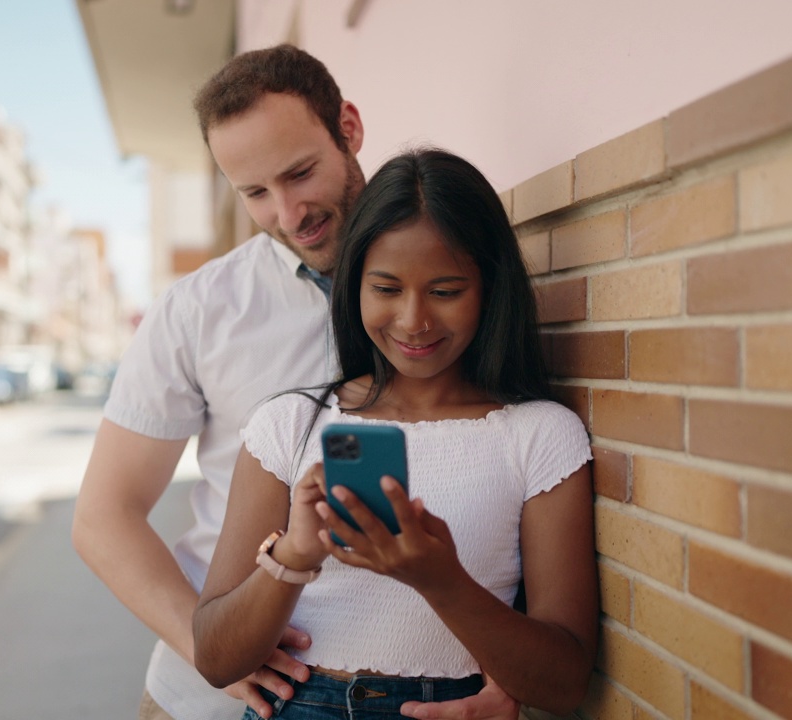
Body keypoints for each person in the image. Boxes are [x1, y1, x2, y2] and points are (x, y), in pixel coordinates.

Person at [72, 45, 524, 720]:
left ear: (349, 127)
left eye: (300, 173)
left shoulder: (456, 276)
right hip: (211, 696)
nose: (288, 214)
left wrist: (510, 675)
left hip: (419, 692)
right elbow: (103, 516)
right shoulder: (198, 310)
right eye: (255, 193)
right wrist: (207, 653)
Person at [193, 148, 599, 718]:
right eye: (386, 289)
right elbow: (214, 657)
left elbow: (564, 682)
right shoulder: (288, 425)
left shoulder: (538, 435)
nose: (413, 321)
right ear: (354, 285)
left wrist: (441, 580)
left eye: (445, 291)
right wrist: (296, 554)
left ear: (489, 288)